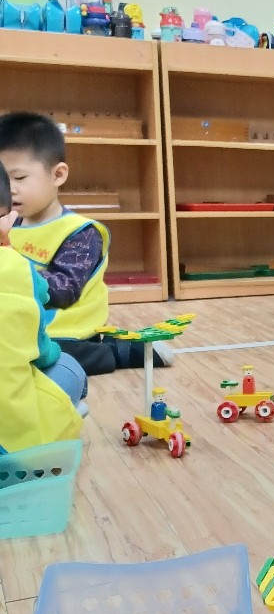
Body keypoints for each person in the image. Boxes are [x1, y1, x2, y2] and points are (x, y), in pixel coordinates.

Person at [0, 112, 168, 374]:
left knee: (45, 357)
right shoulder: (9, 224)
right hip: (22, 324)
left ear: (58, 175)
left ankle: (115, 351)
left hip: (65, 331)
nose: (9, 189)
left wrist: (12, 272)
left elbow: (64, 290)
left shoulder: (81, 233)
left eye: (19, 178)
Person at [0, 160, 85, 454]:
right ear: (7, 219)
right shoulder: (17, 269)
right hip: (12, 448)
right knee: (68, 367)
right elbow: (41, 351)